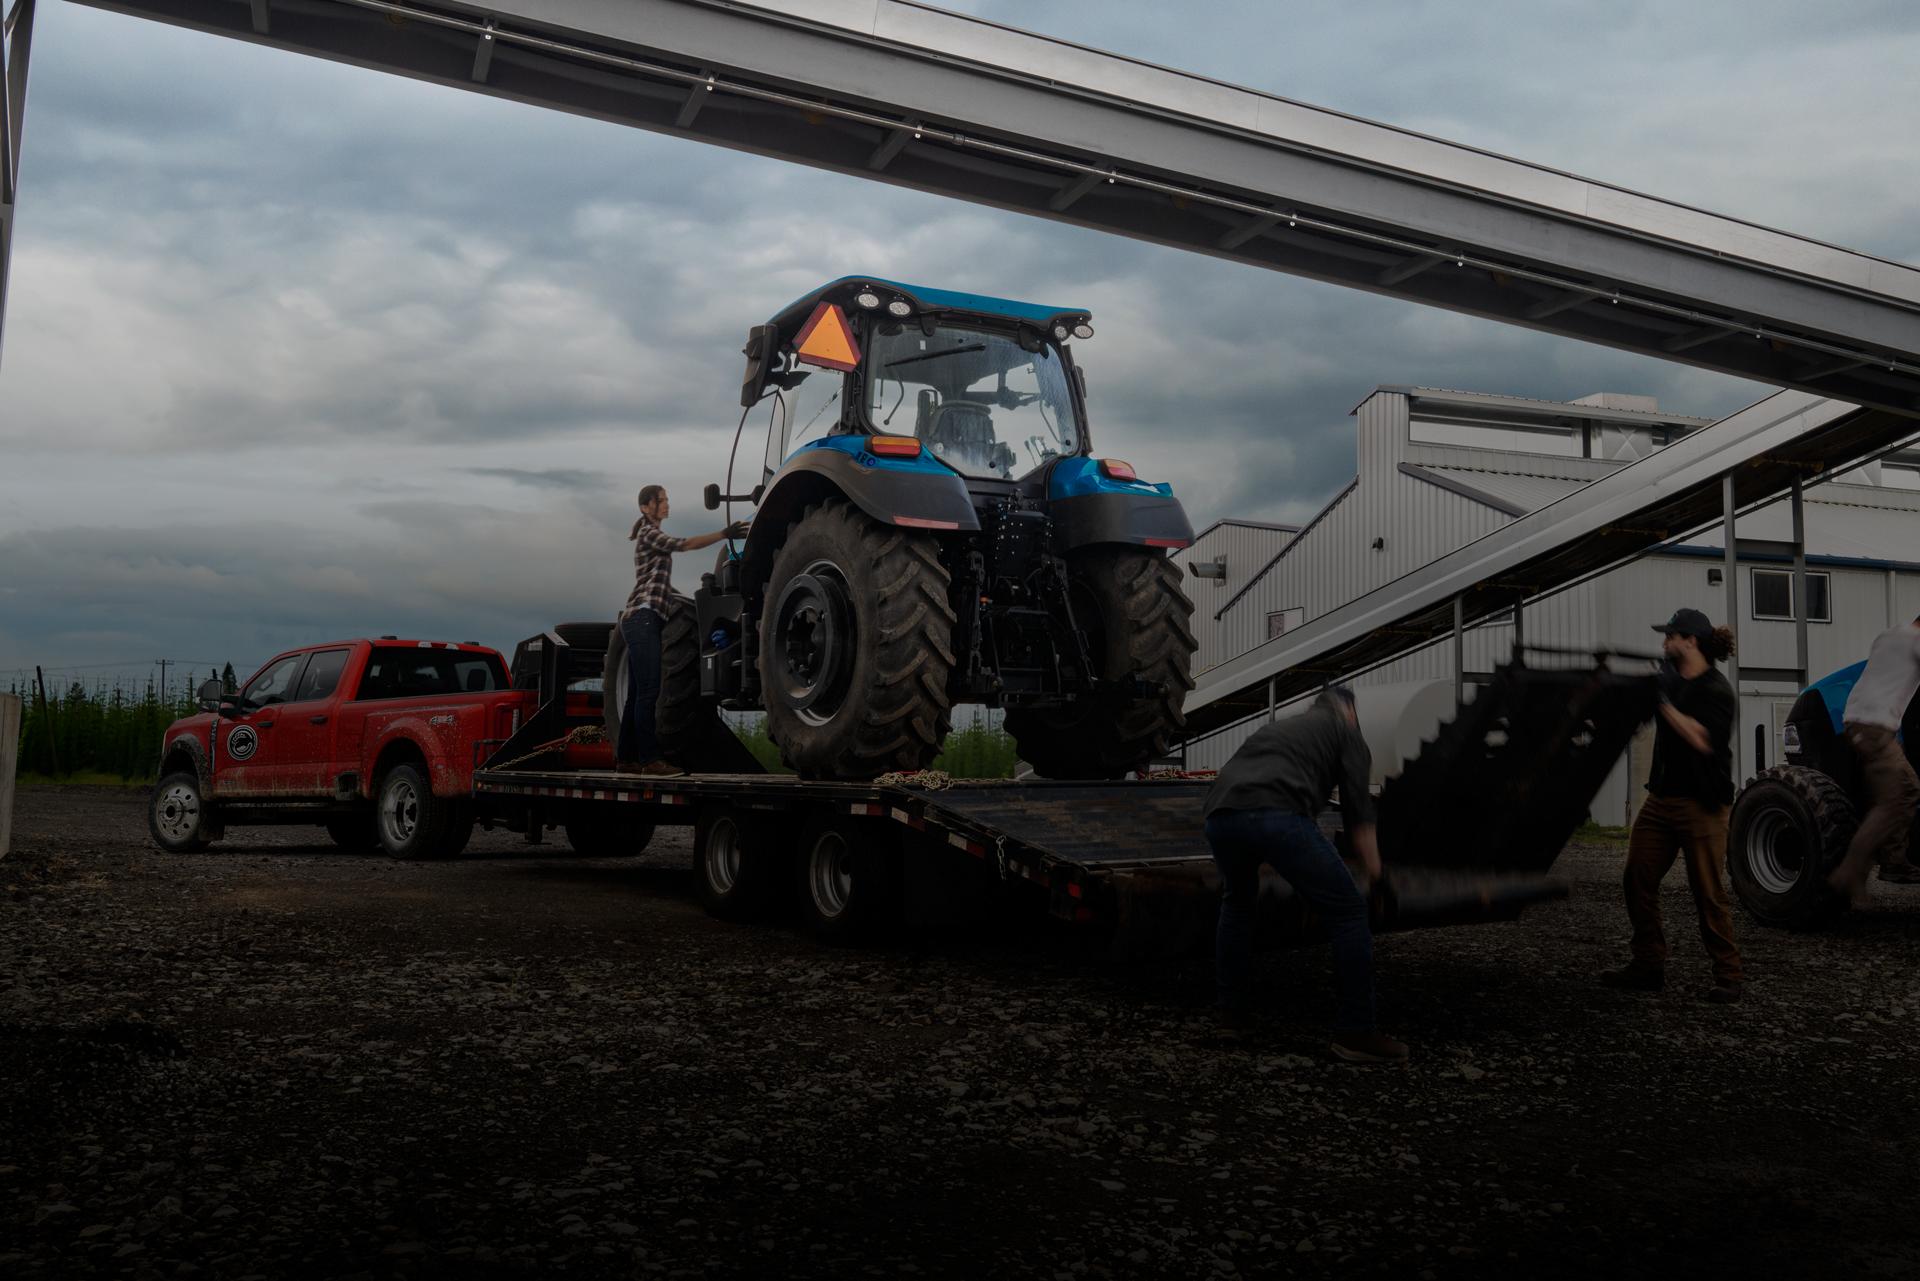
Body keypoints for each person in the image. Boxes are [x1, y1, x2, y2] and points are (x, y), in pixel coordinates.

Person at [1201, 685, 1407, 1063]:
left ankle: (1231, 1017)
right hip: (1277, 813)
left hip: (1220, 814)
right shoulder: (1347, 734)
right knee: (1348, 912)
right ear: (1349, 712)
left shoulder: (1277, 728)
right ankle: (1355, 1032)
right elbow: (1359, 815)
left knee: (1238, 904)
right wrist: (1378, 878)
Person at [1602, 607, 1745, 1003]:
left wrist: (1661, 702)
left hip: (1702, 804)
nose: (1663, 643)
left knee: (1708, 892)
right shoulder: (1667, 676)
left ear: (1690, 641)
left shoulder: (1716, 690)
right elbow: (1636, 709)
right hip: (1661, 799)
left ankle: (1728, 976)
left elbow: (1700, 739)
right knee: (1637, 877)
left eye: (1669, 636)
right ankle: (1648, 965)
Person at [618, 485, 745, 776]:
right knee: (649, 690)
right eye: (661, 500)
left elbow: (657, 584)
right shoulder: (650, 533)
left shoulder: (649, 535)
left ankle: (626, 760)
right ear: (645, 507)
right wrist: (723, 534)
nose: (666, 505)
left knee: (637, 692)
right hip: (642, 617)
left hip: (644, 617)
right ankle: (650, 760)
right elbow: (685, 545)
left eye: (666, 500)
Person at [1828, 616, 1920, 903]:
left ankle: (1894, 860)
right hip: (1875, 729)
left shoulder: (1890, 635)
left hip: (1859, 723)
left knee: (1904, 786)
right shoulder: (1916, 641)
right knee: (1895, 799)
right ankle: (1850, 872)